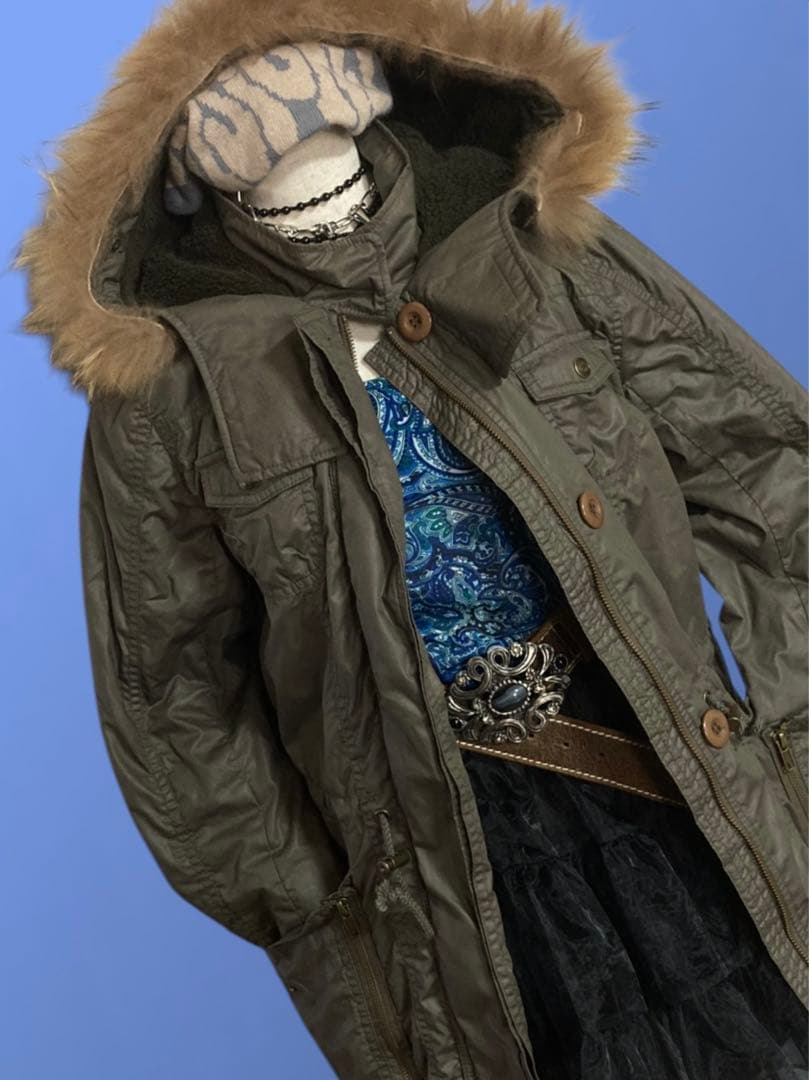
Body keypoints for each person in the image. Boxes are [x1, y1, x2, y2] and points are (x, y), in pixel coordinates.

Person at [14, 5, 809, 1078]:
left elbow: (770, 474)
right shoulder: (172, 390)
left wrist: (793, 740)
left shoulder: (538, 252)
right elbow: (173, 695)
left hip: (682, 773)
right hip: (448, 883)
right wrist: (333, 923)